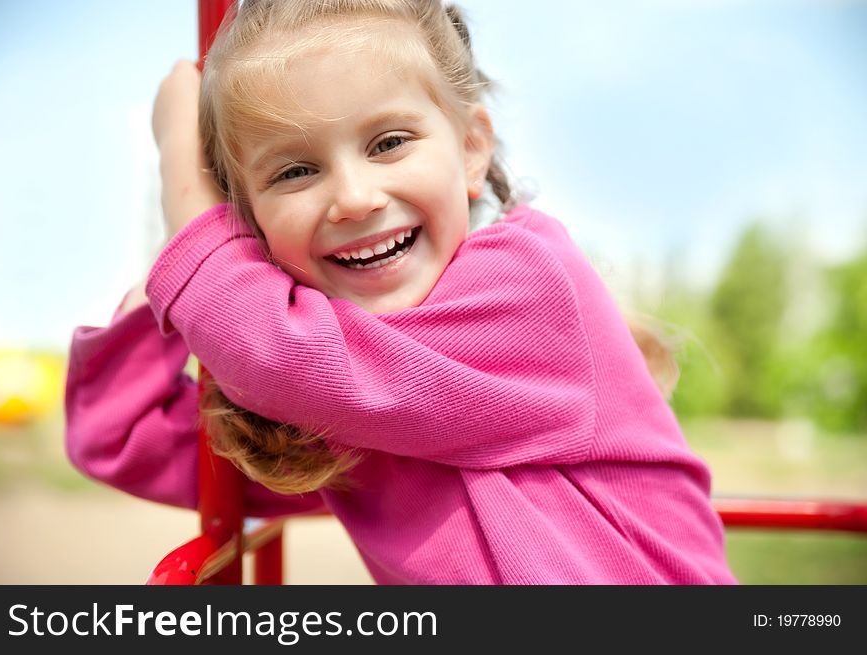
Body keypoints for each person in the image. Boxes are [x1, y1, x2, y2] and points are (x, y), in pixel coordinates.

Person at [65, 0, 736, 584]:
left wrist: (181, 167)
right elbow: (125, 438)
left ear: (471, 148)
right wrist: (167, 298)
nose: (355, 198)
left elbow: (280, 352)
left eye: (388, 142)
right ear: (249, 224)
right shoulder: (348, 388)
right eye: (296, 171)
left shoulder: (530, 280)